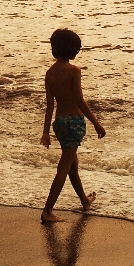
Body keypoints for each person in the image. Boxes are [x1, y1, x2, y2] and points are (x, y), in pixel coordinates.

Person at [40, 28, 106, 223]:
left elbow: (50, 106)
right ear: (71, 49)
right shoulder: (74, 71)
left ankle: (85, 201)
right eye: (77, 48)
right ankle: (47, 210)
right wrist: (96, 123)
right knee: (64, 167)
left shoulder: (50, 73)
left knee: (72, 166)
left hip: (59, 124)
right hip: (74, 123)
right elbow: (80, 101)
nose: (78, 51)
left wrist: (45, 132)